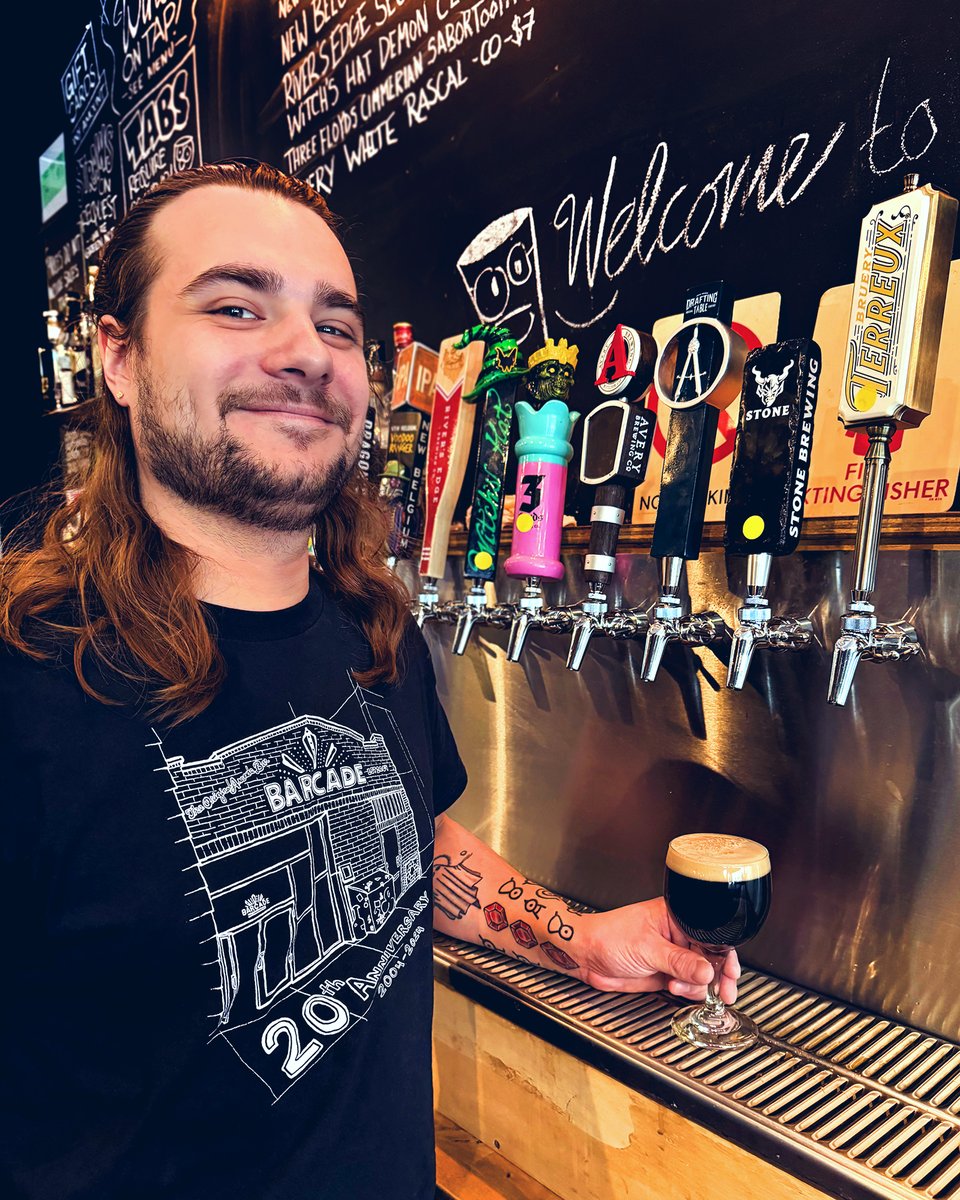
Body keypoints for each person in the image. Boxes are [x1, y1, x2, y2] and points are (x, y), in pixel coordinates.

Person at [0, 161, 738, 1200]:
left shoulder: (370, 629)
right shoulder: (26, 680)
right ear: (117, 358)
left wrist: (579, 941)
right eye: (234, 304)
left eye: (337, 326)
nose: (305, 352)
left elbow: (403, 841)